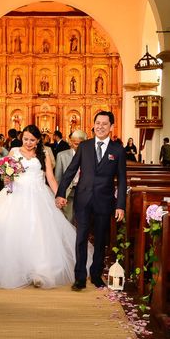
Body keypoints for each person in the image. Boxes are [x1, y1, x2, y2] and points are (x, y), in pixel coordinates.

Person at [0, 125, 84, 289]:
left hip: (39, 195)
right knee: (14, 231)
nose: (28, 143)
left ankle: (40, 270)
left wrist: (59, 195)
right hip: (16, 194)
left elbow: (50, 178)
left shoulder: (44, 154)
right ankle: (15, 268)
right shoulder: (14, 152)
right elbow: (6, 174)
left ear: (38, 140)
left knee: (39, 233)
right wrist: (7, 179)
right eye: (25, 139)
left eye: (32, 140)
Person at [56, 111, 127, 291]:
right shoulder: (85, 146)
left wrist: (121, 206)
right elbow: (71, 171)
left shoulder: (117, 150)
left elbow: (122, 178)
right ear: (93, 125)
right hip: (83, 199)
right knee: (81, 238)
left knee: (101, 239)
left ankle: (96, 275)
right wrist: (61, 192)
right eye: (97, 123)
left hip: (105, 201)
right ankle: (79, 277)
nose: (100, 126)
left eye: (104, 124)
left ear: (111, 127)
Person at [54, 129, 87, 223]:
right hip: (69, 192)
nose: (79, 147)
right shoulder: (62, 156)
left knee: (83, 220)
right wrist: (59, 195)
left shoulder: (90, 156)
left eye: (82, 144)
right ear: (71, 142)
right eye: (76, 144)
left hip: (84, 191)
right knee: (69, 219)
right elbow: (58, 178)